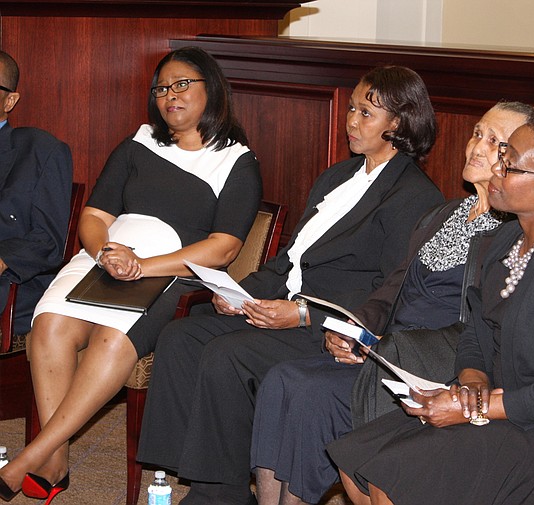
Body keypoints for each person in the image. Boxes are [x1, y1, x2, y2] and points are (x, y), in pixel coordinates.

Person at [137, 65, 446, 505]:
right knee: (182, 336)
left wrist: (305, 314)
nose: (351, 121)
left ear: (397, 123)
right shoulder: (338, 177)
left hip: (335, 331)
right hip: (284, 306)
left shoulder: (414, 197)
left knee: (229, 354)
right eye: (352, 109)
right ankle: (208, 483)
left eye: (365, 113)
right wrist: (238, 292)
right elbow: (290, 260)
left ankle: (215, 495)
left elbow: (390, 293)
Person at [327, 110, 534, 505]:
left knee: (400, 475)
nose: (497, 169)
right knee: (357, 458)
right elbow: (477, 329)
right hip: (522, 409)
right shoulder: (505, 242)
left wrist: (476, 408)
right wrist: (472, 381)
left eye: (510, 163)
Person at [0, 46, 262, 502]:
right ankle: (55, 459)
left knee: (109, 340)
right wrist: (105, 252)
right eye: (162, 88)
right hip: (107, 255)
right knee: (49, 327)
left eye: (182, 84)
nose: (169, 96)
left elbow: (225, 248)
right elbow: (94, 215)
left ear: (212, 90)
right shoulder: (138, 142)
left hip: (174, 270)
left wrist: (143, 266)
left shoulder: (237, 161)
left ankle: (29, 457)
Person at [249, 101, 534, 505]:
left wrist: (387, 348)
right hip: (387, 349)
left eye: (494, 141)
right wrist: (354, 329)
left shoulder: (513, 233)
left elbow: (483, 331)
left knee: (311, 392)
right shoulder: (445, 214)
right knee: (282, 379)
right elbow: (392, 288)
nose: (477, 147)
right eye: (476, 133)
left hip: (437, 363)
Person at [0, 50, 72, 338]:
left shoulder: (40, 150)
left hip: (12, 283)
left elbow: (48, 240)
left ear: (10, 100)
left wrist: (3, 259)